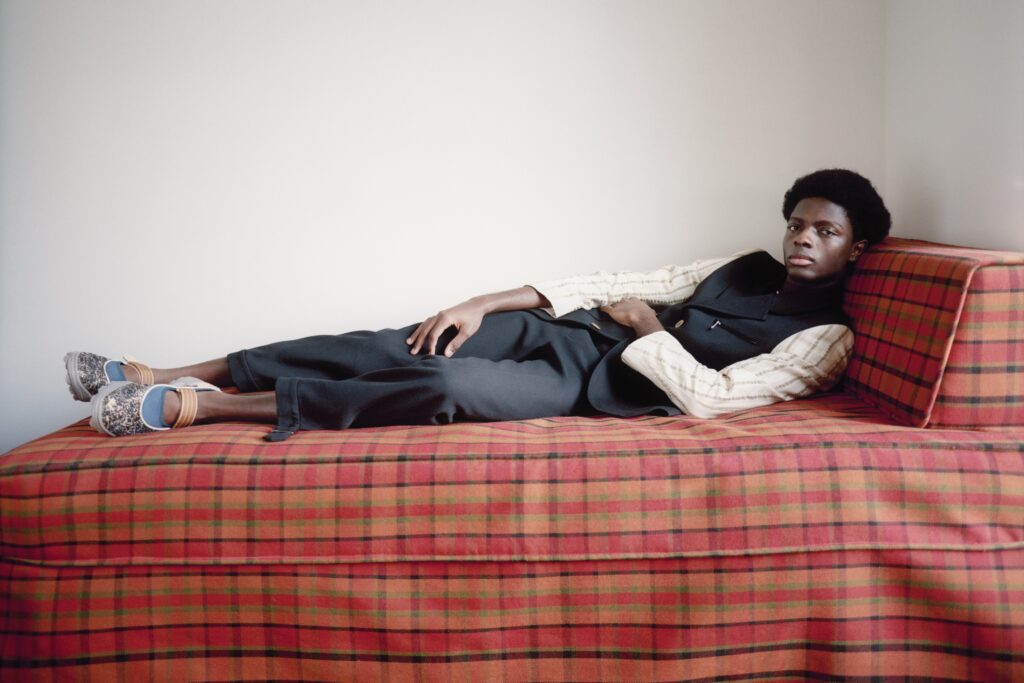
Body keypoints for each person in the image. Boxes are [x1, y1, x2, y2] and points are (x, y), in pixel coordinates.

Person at [65, 168, 891, 440]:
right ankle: (162, 371)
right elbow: (617, 282)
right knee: (388, 345)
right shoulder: (744, 265)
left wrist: (647, 328)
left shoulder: (827, 338)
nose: (803, 238)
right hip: (566, 334)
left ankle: (205, 408)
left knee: (448, 388)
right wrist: (480, 301)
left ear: (856, 248)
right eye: (797, 223)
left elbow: (716, 397)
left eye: (824, 231)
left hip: (596, 386)